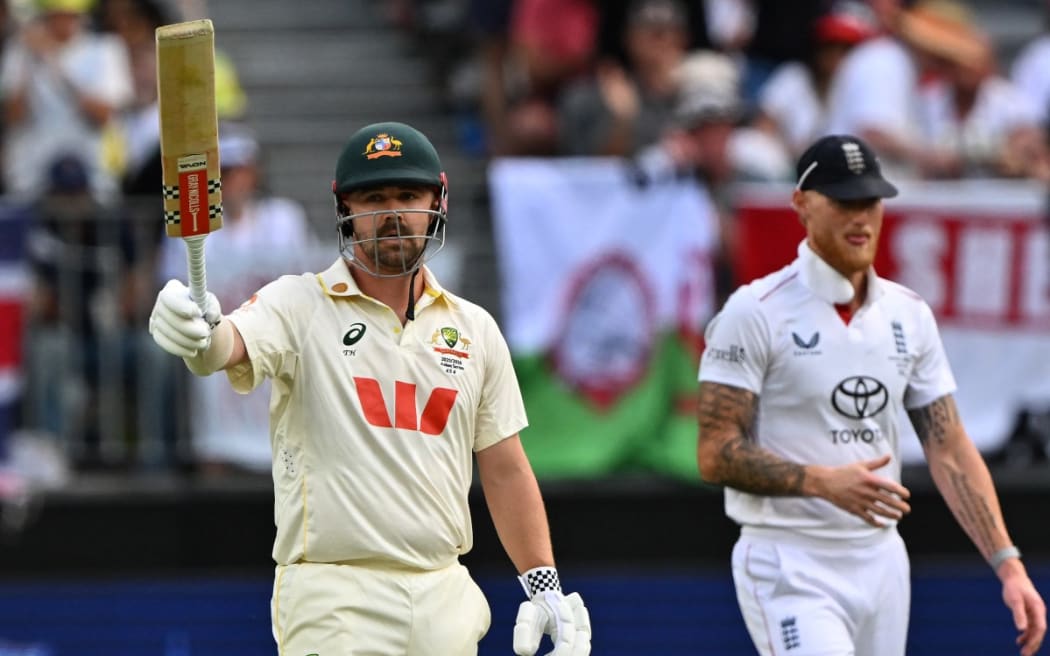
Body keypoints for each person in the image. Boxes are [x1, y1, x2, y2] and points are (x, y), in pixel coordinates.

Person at [147, 120, 591, 656]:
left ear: (438, 201)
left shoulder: (474, 329)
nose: (392, 213)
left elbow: (504, 467)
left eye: (408, 195)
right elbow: (225, 347)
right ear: (345, 210)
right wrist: (197, 331)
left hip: (445, 593)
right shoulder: (298, 303)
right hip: (335, 595)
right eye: (373, 198)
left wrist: (543, 585)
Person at [695, 133, 1047, 656]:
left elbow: (949, 448)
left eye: (870, 201)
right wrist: (821, 481)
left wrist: (1008, 562)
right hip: (789, 559)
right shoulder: (755, 312)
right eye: (842, 201)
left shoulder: (908, 314)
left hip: (882, 562)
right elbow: (714, 453)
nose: (860, 217)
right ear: (802, 205)